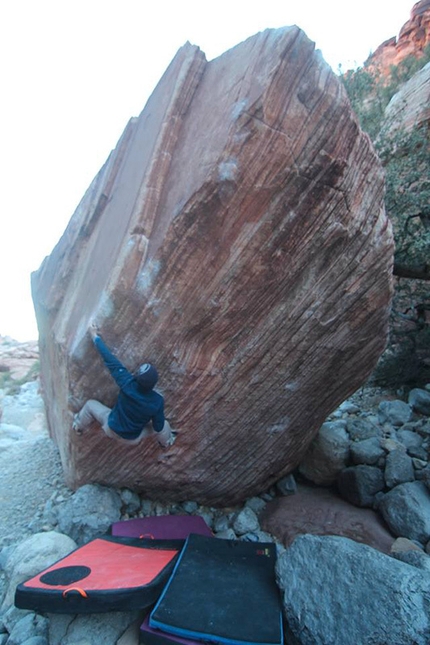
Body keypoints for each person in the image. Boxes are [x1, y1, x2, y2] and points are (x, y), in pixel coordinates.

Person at [73, 326, 176, 447]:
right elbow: (158, 427)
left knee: (90, 405)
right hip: (132, 438)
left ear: (137, 378)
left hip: (110, 428)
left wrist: (95, 336)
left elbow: (110, 361)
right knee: (164, 425)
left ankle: (78, 426)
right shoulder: (157, 401)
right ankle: (166, 443)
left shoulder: (127, 383)